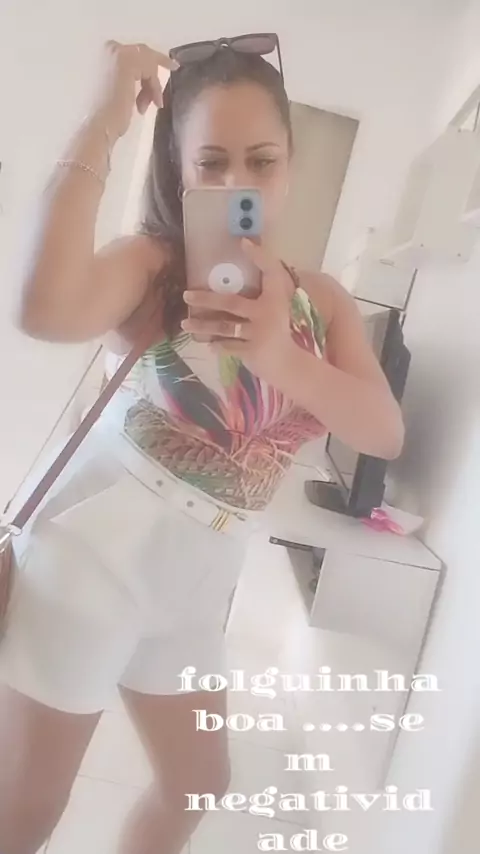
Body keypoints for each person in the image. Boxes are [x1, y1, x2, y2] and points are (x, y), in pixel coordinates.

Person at [0, 37, 404, 854]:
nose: (236, 185)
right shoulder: (155, 264)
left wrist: (279, 355)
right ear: (180, 172)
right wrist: (105, 119)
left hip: (198, 579)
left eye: (261, 161)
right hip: (94, 560)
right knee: (27, 811)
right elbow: (45, 311)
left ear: (290, 165)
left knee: (195, 784)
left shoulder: (322, 301)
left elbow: (382, 430)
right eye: (211, 164)